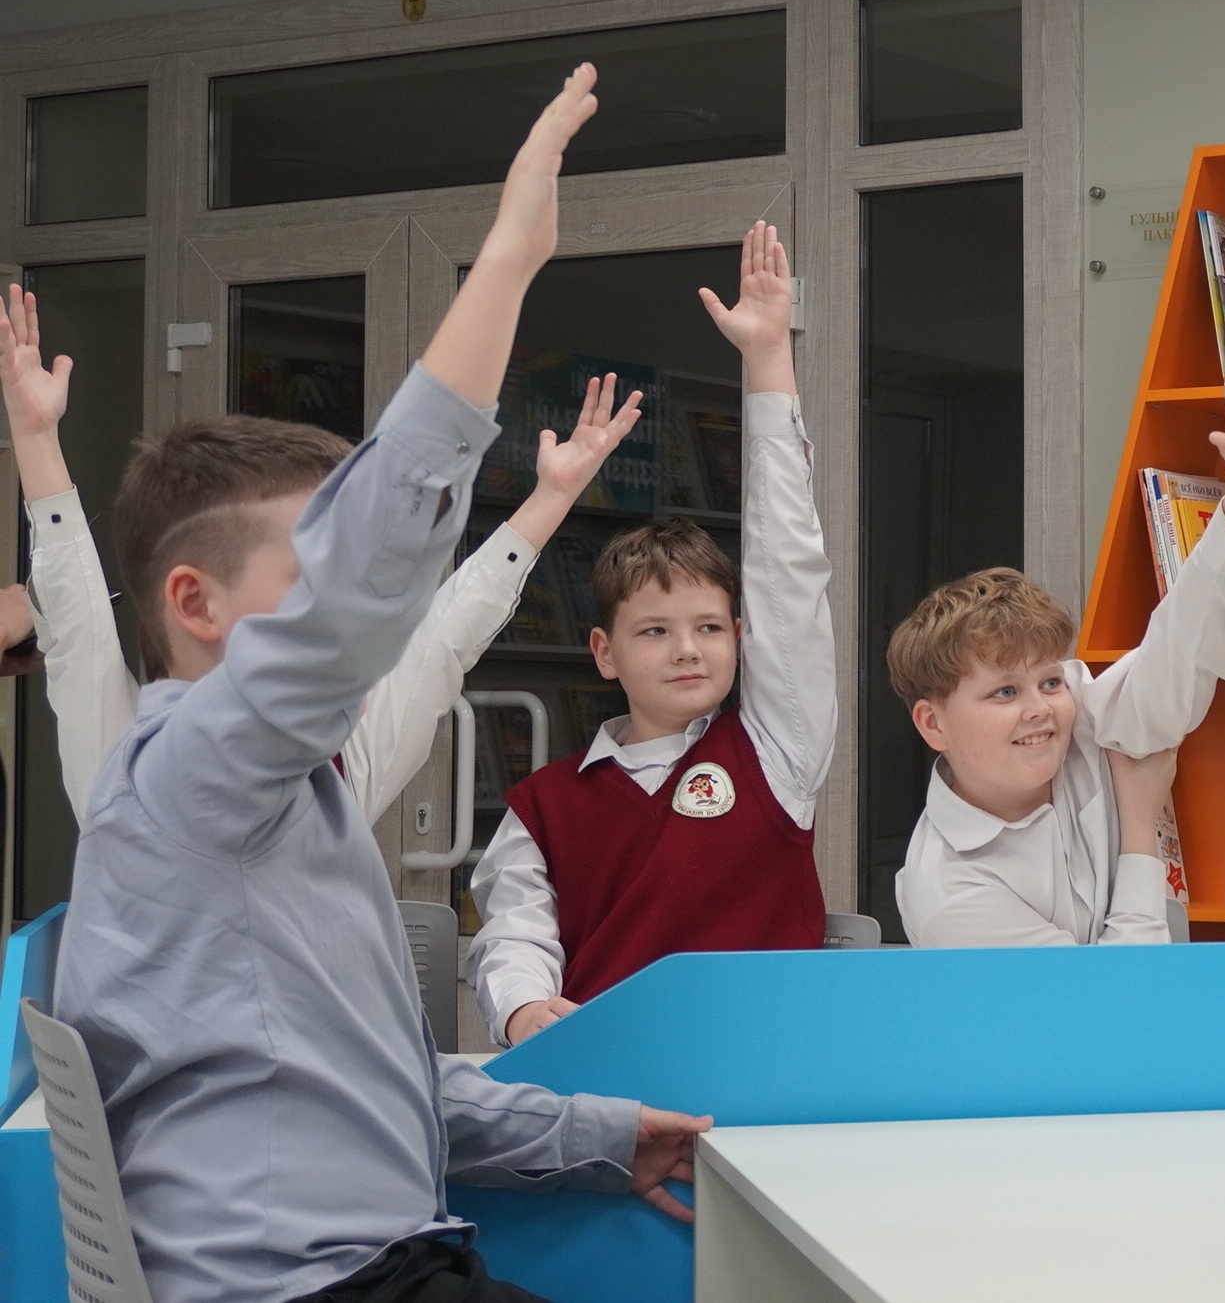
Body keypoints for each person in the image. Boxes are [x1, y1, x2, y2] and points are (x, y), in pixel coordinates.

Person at [51, 65, 712, 1303]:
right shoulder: (184, 779)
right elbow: (365, 592)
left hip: (388, 1263)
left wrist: (596, 1136)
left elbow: (378, 1094)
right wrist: (506, 262)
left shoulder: (274, 807)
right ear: (194, 605)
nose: (351, 615)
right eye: (309, 576)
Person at [0, 282, 641, 827]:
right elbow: (79, 628)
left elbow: (447, 633)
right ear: (195, 605)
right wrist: (35, 435)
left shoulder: (341, 773)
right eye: (304, 576)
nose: (336, 605)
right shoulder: (124, 771)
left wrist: (553, 495)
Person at [469, 221, 835, 1047]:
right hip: (603, 1079)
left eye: (708, 627)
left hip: (761, 1071)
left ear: (739, 636)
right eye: (655, 631)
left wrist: (768, 361)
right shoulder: (545, 805)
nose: (687, 649)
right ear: (604, 653)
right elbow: (515, 931)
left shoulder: (776, 750)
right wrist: (523, 1007)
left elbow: (789, 570)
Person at [889, 351, 1225, 946]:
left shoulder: (1082, 719)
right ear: (934, 723)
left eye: (1050, 681)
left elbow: (1185, 648)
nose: (1040, 708)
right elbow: (1113, 995)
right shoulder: (947, 889)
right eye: (1004, 692)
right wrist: (1139, 826)